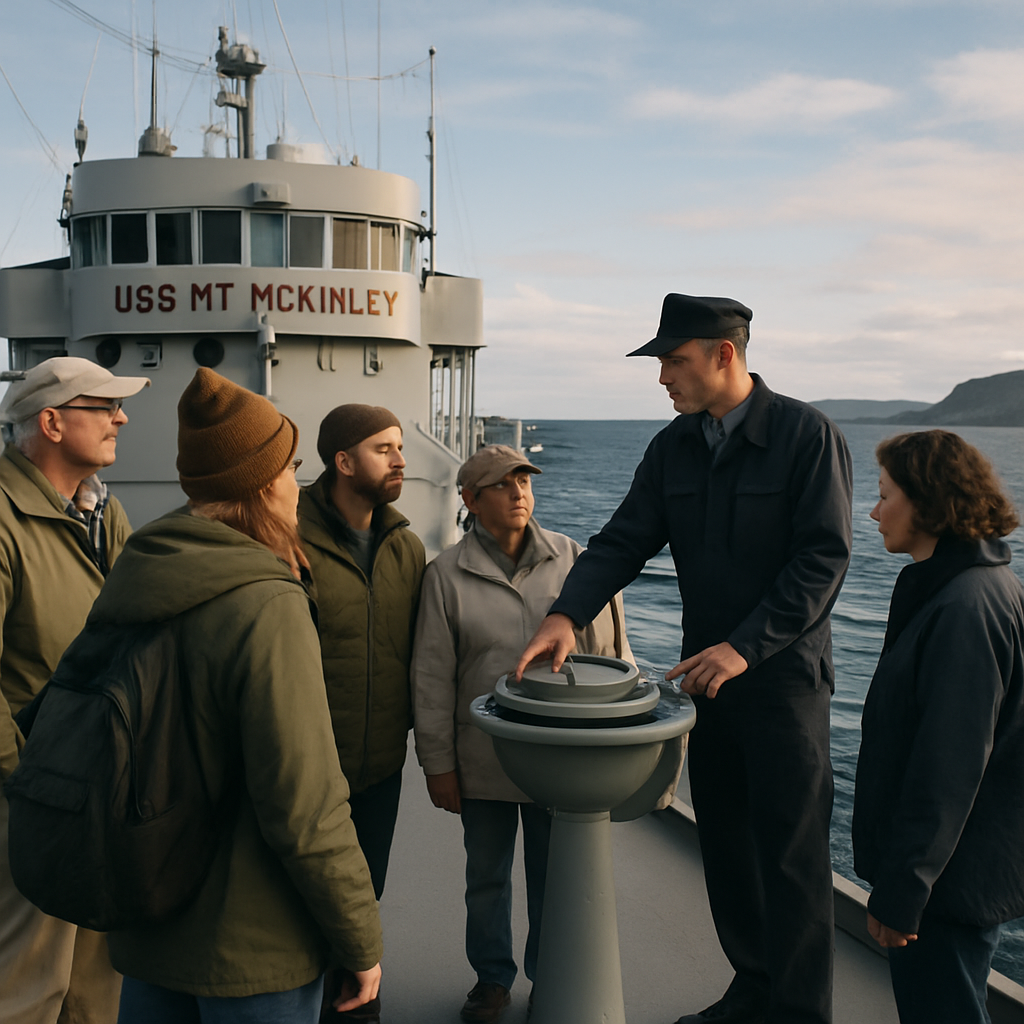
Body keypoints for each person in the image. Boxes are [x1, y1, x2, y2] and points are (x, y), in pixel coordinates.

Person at [517, 294, 854, 1024]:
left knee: (791, 864)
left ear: (724, 354)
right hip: (710, 689)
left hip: (786, 691)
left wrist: (744, 647)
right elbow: (622, 539)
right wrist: (565, 612)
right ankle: (754, 989)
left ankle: (798, 1013)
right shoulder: (672, 447)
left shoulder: (806, 436)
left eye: (673, 359)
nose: (662, 377)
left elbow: (822, 561)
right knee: (728, 852)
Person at [74, 368, 383, 1022]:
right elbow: (305, 807)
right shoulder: (265, 602)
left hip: (150, 925)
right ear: (263, 482)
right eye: (290, 466)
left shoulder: (135, 578)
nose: (298, 485)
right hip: (253, 950)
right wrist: (360, 939)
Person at [412, 444, 632, 1024]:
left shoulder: (576, 561)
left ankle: (549, 977)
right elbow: (432, 678)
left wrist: (621, 742)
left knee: (552, 878)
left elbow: (614, 656)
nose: (519, 495)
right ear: (469, 500)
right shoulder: (445, 575)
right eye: (502, 485)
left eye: (525, 484)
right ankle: (491, 980)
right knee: (485, 877)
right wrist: (438, 765)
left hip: (560, 756)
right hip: (480, 757)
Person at [852, 430, 1024, 1024]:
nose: (873, 511)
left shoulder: (964, 609)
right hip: (957, 870)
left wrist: (905, 891)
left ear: (928, 501)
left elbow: (947, 766)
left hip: (948, 882)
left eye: (883, 495)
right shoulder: (970, 588)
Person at [0, 356, 149, 1024]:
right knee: (26, 984)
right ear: (52, 422)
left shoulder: (103, 512)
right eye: (105, 406)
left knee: (95, 984)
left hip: (99, 788)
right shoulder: (5, 519)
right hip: (31, 796)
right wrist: (26, 780)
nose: (121, 417)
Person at [297, 404, 425, 1023]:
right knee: (298, 902)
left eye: (399, 447)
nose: (400, 460)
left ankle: (353, 1009)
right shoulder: (287, 538)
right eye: (383, 448)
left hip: (378, 767)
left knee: (363, 898)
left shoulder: (406, 547)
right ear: (343, 461)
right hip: (306, 764)